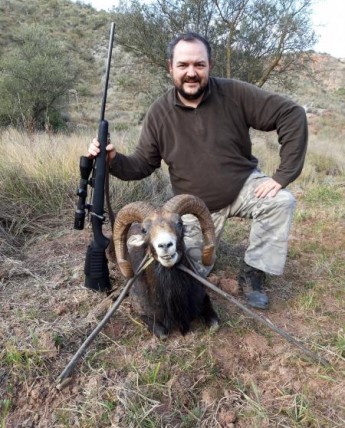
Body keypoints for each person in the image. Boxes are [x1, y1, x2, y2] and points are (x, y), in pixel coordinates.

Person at [88, 32, 308, 310]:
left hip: (243, 186)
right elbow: (143, 163)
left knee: (281, 201)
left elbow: (292, 114)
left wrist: (282, 176)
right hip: (193, 207)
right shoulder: (158, 113)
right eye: (183, 65)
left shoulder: (235, 93)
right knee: (185, 270)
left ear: (209, 66)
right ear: (171, 68)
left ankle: (254, 273)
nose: (191, 73)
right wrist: (113, 159)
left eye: (199, 65)